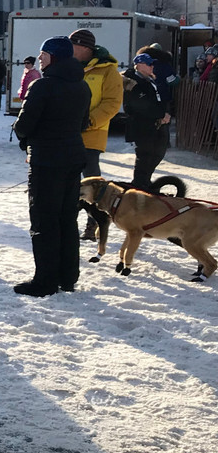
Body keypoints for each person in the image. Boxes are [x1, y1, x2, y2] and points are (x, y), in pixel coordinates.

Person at [11, 37, 91, 297]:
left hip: (46, 161)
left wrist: (25, 137)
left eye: (44, 54)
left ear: (54, 56)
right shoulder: (82, 86)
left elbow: (23, 125)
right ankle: (68, 277)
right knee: (67, 219)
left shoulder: (41, 86)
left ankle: (45, 281)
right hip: (74, 158)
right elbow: (83, 123)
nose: (40, 58)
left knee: (44, 221)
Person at [70, 28, 123, 241]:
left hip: (91, 135)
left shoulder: (108, 70)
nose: (69, 50)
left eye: (72, 45)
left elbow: (112, 103)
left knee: (92, 185)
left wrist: (89, 121)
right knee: (68, 182)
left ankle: (94, 225)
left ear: (84, 47)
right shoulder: (69, 67)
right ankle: (68, 222)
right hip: (67, 134)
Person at [122, 53, 171, 191]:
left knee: (157, 153)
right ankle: (139, 185)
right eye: (149, 64)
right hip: (142, 125)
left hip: (154, 124)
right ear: (140, 65)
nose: (152, 66)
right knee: (145, 156)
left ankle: (145, 182)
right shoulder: (133, 81)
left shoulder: (149, 79)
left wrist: (164, 114)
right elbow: (140, 105)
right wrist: (161, 114)